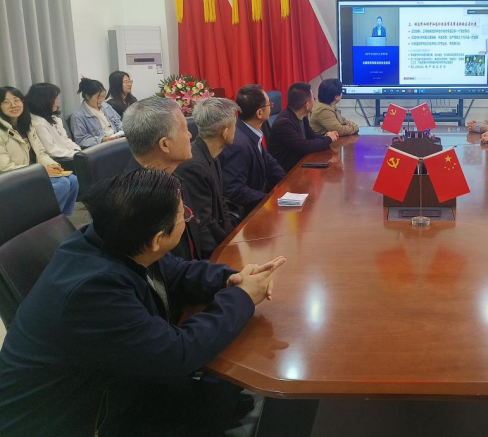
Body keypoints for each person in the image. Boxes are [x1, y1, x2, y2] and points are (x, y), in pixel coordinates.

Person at [0, 169, 287, 437]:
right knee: (224, 393)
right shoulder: (93, 290)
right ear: (158, 239)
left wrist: (231, 278)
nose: (188, 217)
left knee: (225, 393)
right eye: (184, 215)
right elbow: (177, 353)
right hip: (74, 419)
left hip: (116, 381)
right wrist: (242, 297)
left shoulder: (116, 237)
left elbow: (177, 272)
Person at [123, 97, 201, 259]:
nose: (190, 135)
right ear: (165, 144)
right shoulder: (141, 203)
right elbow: (168, 267)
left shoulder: (171, 177)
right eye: (185, 130)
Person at [0, 86, 79, 216]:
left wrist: (51, 165)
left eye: (16, 100)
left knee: (73, 180)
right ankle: (43, 220)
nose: (13, 105)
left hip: (34, 172)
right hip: (13, 179)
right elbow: (5, 168)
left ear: (23, 102)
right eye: (6, 102)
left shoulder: (28, 125)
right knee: (62, 183)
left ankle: (63, 218)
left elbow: (40, 153)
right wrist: (41, 171)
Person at [176, 98, 240, 254]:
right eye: (235, 125)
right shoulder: (194, 166)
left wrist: (232, 237)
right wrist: (227, 248)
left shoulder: (211, 154)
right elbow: (203, 222)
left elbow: (221, 203)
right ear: (225, 133)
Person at [219, 85, 286, 217]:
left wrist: (287, 182)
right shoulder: (238, 144)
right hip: (248, 215)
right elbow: (235, 190)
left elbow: (269, 162)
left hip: (260, 204)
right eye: (269, 104)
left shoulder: (251, 131)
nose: (272, 107)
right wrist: (269, 199)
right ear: (259, 113)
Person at [268, 82, 339, 172]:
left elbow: (312, 136)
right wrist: (328, 139)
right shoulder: (284, 124)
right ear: (307, 105)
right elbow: (305, 146)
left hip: (299, 166)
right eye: (313, 99)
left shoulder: (301, 117)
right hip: (286, 174)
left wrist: (326, 135)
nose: (314, 101)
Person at [26, 82, 81, 170]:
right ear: (44, 101)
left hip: (69, 155)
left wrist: (77, 150)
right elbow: (51, 150)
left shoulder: (54, 118)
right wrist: (75, 154)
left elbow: (65, 139)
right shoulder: (38, 123)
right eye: (55, 99)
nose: (57, 102)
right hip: (59, 161)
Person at [70, 77, 123, 148]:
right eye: (98, 97)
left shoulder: (106, 106)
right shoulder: (78, 116)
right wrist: (101, 140)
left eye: (103, 96)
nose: (101, 100)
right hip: (100, 147)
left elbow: (118, 122)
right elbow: (81, 140)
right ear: (87, 96)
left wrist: (123, 131)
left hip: (116, 140)